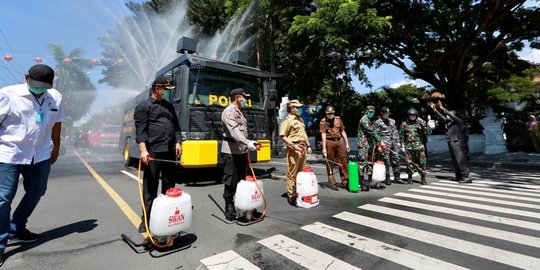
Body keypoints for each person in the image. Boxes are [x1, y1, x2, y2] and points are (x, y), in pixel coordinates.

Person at [0, 64, 65, 266]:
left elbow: (57, 122)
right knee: (3, 199)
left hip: (41, 154)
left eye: (43, 87)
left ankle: (17, 227)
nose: (39, 89)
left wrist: (56, 147)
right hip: (10, 153)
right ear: (26, 77)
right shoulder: (8, 94)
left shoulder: (55, 96)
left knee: (37, 191)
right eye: (36, 85)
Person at [134, 75, 182, 233]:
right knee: (150, 187)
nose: (168, 92)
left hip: (169, 151)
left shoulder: (169, 106)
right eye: (166, 90)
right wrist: (143, 150)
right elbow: (140, 131)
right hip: (153, 152)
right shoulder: (143, 107)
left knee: (169, 186)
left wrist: (178, 142)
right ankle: (146, 219)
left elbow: (175, 126)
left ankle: (166, 216)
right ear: (157, 88)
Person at [221, 88, 259, 220]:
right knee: (230, 179)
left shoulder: (239, 112)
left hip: (241, 150)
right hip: (231, 150)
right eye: (243, 97)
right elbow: (234, 131)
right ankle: (229, 206)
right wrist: (247, 143)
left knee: (242, 180)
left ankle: (244, 205)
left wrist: (248, 144)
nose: (245, 100)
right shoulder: (229, 112)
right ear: (237, 97)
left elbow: (243, 131)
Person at [280, 99, 312, 206]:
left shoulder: (300, 120)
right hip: (294, 148)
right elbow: (282, 135)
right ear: (292, 108)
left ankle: (299, 191)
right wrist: (293, 145)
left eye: (299, 107)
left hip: (303, 147)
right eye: (297, 107)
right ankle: (291, 195)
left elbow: (304, 134)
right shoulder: (288, 120)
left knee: (301, 172)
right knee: (292, 173)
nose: (299, 109)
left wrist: (308, 145)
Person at [430, 101, 471, 183]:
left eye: (450, 115)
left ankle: (466, 177)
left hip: (457, 143)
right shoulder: (449, 123)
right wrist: (435, 110)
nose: (447, 116)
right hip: (451, 142)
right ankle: (458, 176)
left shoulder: (458, 121)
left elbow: (450, 115)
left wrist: (442, 108)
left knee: (460, 160)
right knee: (455, 160)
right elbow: (442, 117)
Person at [320, 106, 350, 191]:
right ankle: (332, 182)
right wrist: (324, 148)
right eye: (329, 114)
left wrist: (347, 143)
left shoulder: (338, 120)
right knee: (330, 161)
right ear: (326, 114)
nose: (331, 115)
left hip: (339, 141)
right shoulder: (323, 122)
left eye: (332, 113)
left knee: (343, 160)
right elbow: (323, 134)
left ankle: (345, 180)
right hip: (329, 142)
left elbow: (342, 131)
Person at [357, 105, 385, 191]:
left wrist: (378, 144)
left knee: (370, 162)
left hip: (369, 145)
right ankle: (361, 181)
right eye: (370, 111)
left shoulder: (369, 120)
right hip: (363, 144)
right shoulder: (364, 120)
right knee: (362, 162)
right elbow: (372, 131)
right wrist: (380, 141)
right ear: (366, 111)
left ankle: (369, 180)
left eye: (373, 112)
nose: (371, 113)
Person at [374, 107, 404, 185]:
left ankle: (397, 177)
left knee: (396, 159)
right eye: (385, 113)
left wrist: (398, 142)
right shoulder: (377, 122)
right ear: (382, 113)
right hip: (384, 143)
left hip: (393, 143)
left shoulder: (391, 121)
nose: (387, 115)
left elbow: (395, 131)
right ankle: (387, 178)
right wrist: (379, 144)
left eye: (388, 114)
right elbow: (376, 134)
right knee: (386, 161)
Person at [400, 108, 431, 185]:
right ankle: (410, 177)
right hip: (409, 146)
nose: (412, 117)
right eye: (411, 116)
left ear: (416, 116)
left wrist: (426, 125)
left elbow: (428, 132)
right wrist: (401, 144)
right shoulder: (404, 124)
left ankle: (423, 177)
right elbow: (401, 135)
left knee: (422, 162)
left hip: (419, 146)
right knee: (409, 162)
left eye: (414, 115)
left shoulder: (421, 123)